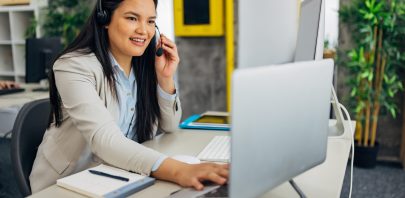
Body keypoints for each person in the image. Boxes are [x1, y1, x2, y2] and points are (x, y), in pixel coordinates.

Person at [29, 0, 228, 193]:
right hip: (67, 184)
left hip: (123, 175)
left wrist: (165, 78)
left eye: (150, 21)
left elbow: (171, 125)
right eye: (132, 18)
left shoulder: (145, 65)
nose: (144, 30)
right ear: (104, 19)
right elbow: (105, 140)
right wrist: (178, 170)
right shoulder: (73, 66)